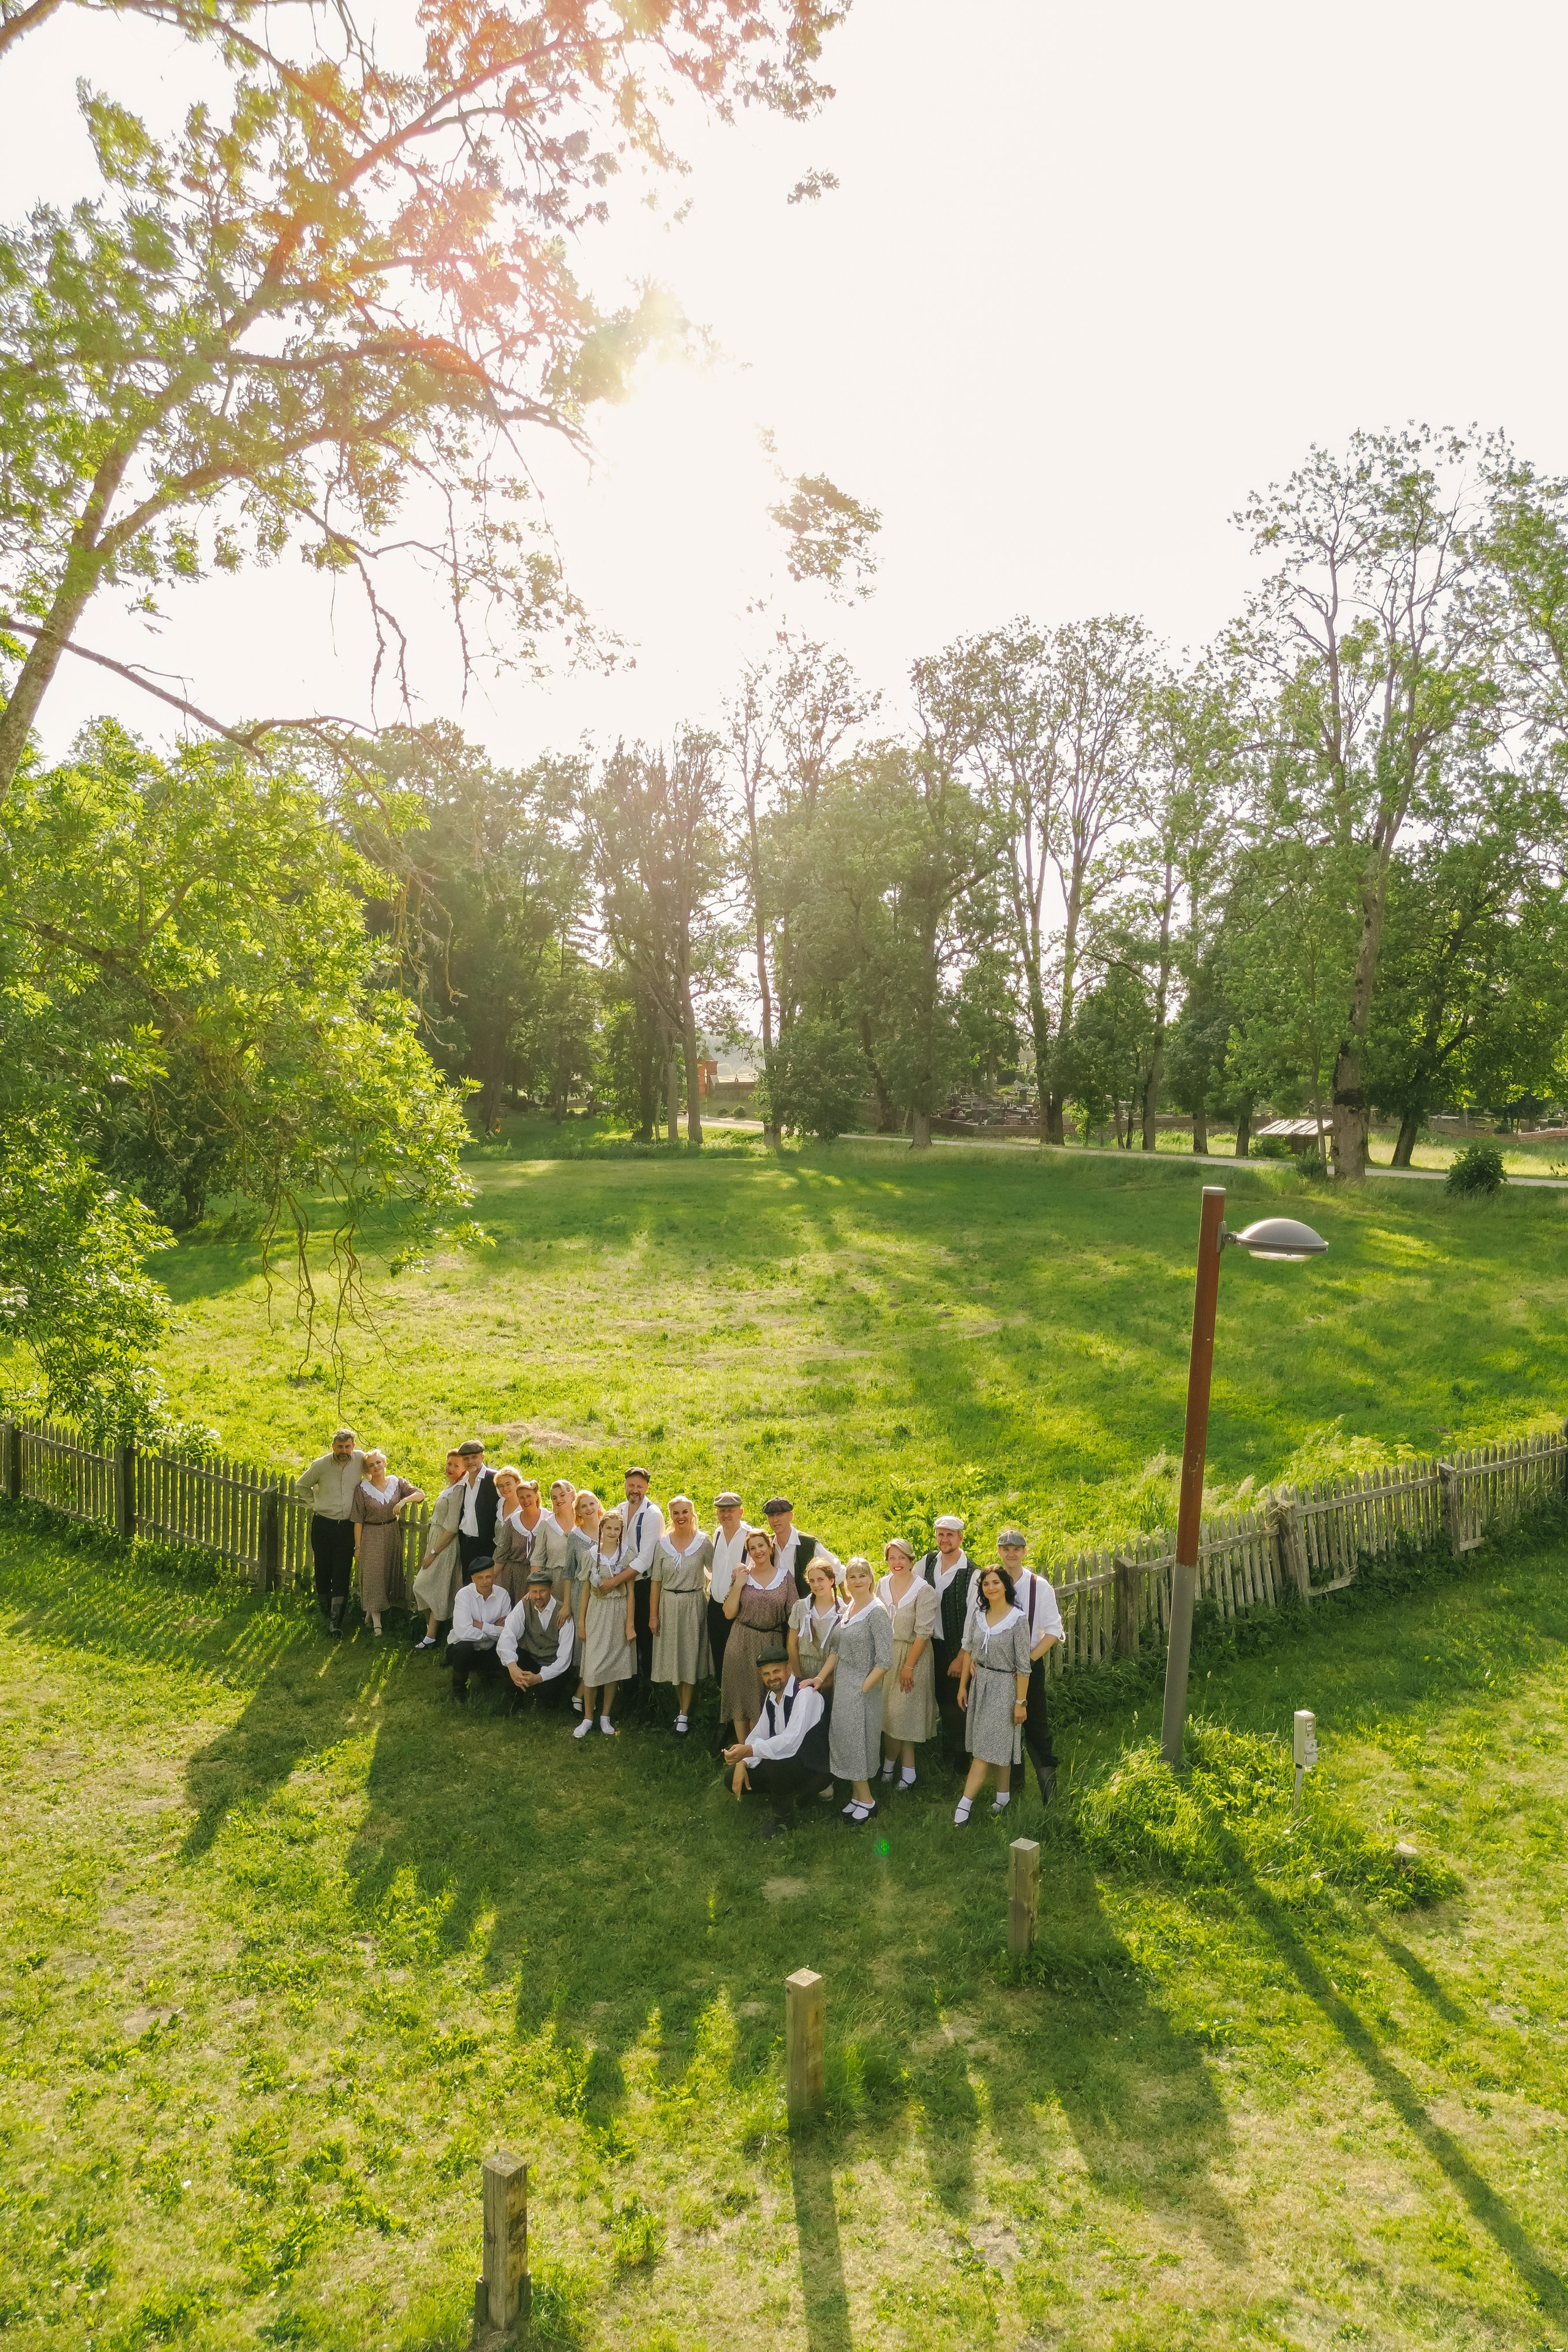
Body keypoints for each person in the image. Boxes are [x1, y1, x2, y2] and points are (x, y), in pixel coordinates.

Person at [810, 1556, 891, 1826]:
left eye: (862, 1576)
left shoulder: (878, 1612)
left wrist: (862, 1688)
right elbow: (836, 1650)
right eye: (852, 1577)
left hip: (862, 1689)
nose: (857, 1581)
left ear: (871, 1578)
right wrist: (820, 1679)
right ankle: (858, 1797)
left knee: (858, 1743)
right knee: (845, 1740)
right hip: (844, 1686)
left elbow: (885, 1661)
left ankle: (868, 1802)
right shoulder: (850, 1609)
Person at [722, 1649, 834, 1840]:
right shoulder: (772, 1697)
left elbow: (791, 1741)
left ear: (788, 1669)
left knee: (776, 1759)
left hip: (818, 1765)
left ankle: (784, 1820)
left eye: (776, 1671)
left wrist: (748, 1751)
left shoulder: (804, 1694)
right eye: (766, 1674)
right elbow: (760, 1734)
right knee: (730, 1777)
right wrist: (743, 1762)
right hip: (794, 1761)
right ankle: (791, 1793)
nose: (772, 1678)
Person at [953, 1565, 1031, 1824]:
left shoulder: (1018, 1620)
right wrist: (963, 1686)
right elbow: (970, 1653)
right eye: (986, 1584)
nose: (991, 1588)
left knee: (985, 1751)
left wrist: (1020, 1703)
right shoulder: (979, 1615)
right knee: (996, 1744)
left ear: (1006, 1586)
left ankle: (964, 1806)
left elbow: (1023, 1667)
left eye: (996, 1583)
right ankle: (1003, 1797)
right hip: (980, 1684)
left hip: (1004, 1689)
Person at [720, 1526, 796, 1790]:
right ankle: (742, 1757)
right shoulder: (742, 1576)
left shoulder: (785, 1578)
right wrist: (739, 1585)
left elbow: (793, 1617)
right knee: (741, 1699)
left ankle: (757, 1756)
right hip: (741, 1641)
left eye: (761, 1546)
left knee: (763, 1701)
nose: (757, 1551)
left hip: (771, 1643)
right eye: (752, 1548)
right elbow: (729, 1613)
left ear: (770, 1547)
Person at [996, 1526, 1063, 1805]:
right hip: (997, 1669)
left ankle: (1050, 1792)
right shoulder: (991, 1582)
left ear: (1024, 1552)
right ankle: (1012, 1790)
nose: (1011, 1554)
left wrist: (1028, 1661)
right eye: (1006, 1549)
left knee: (1036, 1726)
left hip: (1030, 1666)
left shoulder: (1039, 1586)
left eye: (1016, 1549)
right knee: (1004, 1727)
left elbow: (1053, 1631)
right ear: (999, 1552)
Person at [876, 1536, 937, 1790]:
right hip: (886, 1656)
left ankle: (891, 1765)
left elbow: (923, 1633)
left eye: (902, 1557)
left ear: (911, 1561)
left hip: (913, 1655)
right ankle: (907, 1769)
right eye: (892, 1558)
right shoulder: (882, 1584)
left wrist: (908, 1667)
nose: (897, 1562)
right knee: (891, 1716)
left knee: (901, 1714)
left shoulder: (924, 1591)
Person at [649, 1496, 712, 1734]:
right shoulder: (662, 1544)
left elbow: (718, 1569)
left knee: (689, 1657)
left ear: (692, 1513)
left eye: (685, 1512)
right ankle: (681, 1709)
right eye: (676, 1513)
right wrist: (653, 1616)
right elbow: (656, 1581)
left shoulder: (703, 1542)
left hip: (693, 1603)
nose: (681, 1517)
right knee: (674, 1658)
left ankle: (684, 1713)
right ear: (671, 1516)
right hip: (668, 1604)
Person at [295, 1427, 364, 1635]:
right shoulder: (321, 1465)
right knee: (323, 1570)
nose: (344, 1451)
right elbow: (302, 1485)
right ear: (333, 1446)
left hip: (347, 1527)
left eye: (348, 1446)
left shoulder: (360, 1459)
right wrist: (314, 1504)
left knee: (342, 1571)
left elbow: (375, 1472)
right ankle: (325, 1609)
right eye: (340, 1447)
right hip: (323, 1525)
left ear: (353, 1446)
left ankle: (336, 1622)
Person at [919, 1513, 977, 1762]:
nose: (944, 1539)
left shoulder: (972, 1573)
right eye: (940, 1534)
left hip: (957, 1649)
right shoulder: (927, 1562)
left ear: (960, 1538)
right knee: (941, 1701)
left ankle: (962, 1761)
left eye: (950, 1535)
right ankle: (946, 1757)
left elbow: (975, 1618)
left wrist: (962, 1655)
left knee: (958, 1704)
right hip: (931, 1646)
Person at [349, 1449, 424, 1635]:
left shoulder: (397, 1483)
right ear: (368, 1469)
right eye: (371, 1465)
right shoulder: (362, 1489)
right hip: (371, 1534)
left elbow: (421, 1494)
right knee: (373, 1576)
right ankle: (377, 1624)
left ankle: (371, 1612)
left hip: (391, 1533)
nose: (376, 1467)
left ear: (385, 1464)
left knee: (386, 1575)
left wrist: (403, 1502)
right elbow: (358, 1520)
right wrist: (358, 1547)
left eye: (378, 1463)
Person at [577, 1506, 636, 1739]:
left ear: (622, 1531)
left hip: (618, 1610)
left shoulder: (628, 1555)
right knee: (592, 1666)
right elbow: (585, 1591)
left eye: (617, 1529)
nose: (613, 1532)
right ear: (601, 1529)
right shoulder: (590, 1556)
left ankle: (605, 1716)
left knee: (613, 1665)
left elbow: (631, 1592)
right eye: (609, 1528)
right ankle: (587, 1717)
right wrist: (581, 1622)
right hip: (597, 1612)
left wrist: (629, 1624)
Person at [498, 1566, 576, 1714]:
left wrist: (540, 1678)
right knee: (506, 1661)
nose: (538, 1596)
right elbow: (508, 1634)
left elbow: (565, 1658)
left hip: (553, 1662)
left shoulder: (563, 1612)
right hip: (531, 1658)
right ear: (529, 1591)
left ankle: (544, 1692)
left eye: (543, 1591)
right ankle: (515, 1697)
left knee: (547, 1698)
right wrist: (513, 1667)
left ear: (551, 1589)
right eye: (534, 1592)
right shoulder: (524, 1605)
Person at [411, 1453, 467, 1650]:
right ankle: (433, 1631)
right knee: (427, 1588)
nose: (451, 1468)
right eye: (449, 1464)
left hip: (446, 1545)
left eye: (456, 1466)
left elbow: (452, 1527)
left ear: (464, 1469)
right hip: (436, 1540)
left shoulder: (459, 1489)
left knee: (427, 1587)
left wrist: (434, 1552)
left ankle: (431, 1637)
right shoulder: (450, 1486)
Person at [623, 1466, 665, 1697]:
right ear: (625, 1486)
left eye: (640, 1486)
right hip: (623, 1586)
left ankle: (649, 1694)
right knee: (625, 1637)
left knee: (644, 1638)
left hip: (642, 1585)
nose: (635, 1490)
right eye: (631, 1485)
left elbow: (645, 1559)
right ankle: (628, 1688)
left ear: (647, 1487)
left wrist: (615, 1580)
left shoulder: (652, 1514)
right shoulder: (620, 1510)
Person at [448, 1557, 513, 1701]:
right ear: (473, 1579)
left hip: (490, 1649)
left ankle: (500, 1685)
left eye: (489, 1576)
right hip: (462, 1649)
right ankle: (458, 1691)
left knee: (509, 1647)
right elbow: (463, 1633)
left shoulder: (503, 1595)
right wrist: (493, 1629)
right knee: (464, 1648)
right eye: (480, 1578)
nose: (486, 1581)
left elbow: (508, 1632)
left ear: (494, 1576)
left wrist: (481, 1625)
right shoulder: (464, 1596)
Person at [565, 1488, 604, 1717]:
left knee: (603, 1643)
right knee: (587, 1644)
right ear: (577, 1512)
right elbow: (569, 1572)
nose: (589, 1509)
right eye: (583, 1506)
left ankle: (583, 1696)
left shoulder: (611, 1528)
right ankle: (582, 1694)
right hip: (582, 1594)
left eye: (592, 1504)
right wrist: (567, 1604)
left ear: (598, 1506)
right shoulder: (575, 1536)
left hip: (608, 1594)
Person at [706, 1491, 750, 1695]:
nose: (726, 1515)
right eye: (722, 1511)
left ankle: (738, 1715)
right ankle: (725, 1706)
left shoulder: (750, 1536)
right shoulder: (717, 1533)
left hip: (738, 1610)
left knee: (737, 1663)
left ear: (740, 1512)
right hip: (715, 1607)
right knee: (720, 1659)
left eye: (731, 1511)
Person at [787, 1554, 842, 1694]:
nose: (816, 1585)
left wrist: (827, 1681)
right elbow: (792, 1644)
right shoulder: (801, 1607)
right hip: (803, 1670)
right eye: (812, 1581)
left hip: (831, 1675)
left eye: (820, 1580)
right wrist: (799, 1676)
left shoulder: (844, 1611)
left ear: (831, 1580)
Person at [453, 1439, 499, 1578]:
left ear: (482, 1457)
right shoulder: (463, 1482)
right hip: (467, 1544)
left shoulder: (494, 1479)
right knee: (469, 1584)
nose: (470, 1462)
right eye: (466, 1459)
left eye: (474, 1457)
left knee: (486, 1585)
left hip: (487, 1544)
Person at [762, 1496, 822, 1597]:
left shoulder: (808, 1543)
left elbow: (837, 1571)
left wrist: (844, 1598)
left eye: (779, 1515)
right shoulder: (767, 1544)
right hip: (776, 1607)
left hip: (805, 1606)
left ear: (791, 1516)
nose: (775, 1520)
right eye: (771, 1516)